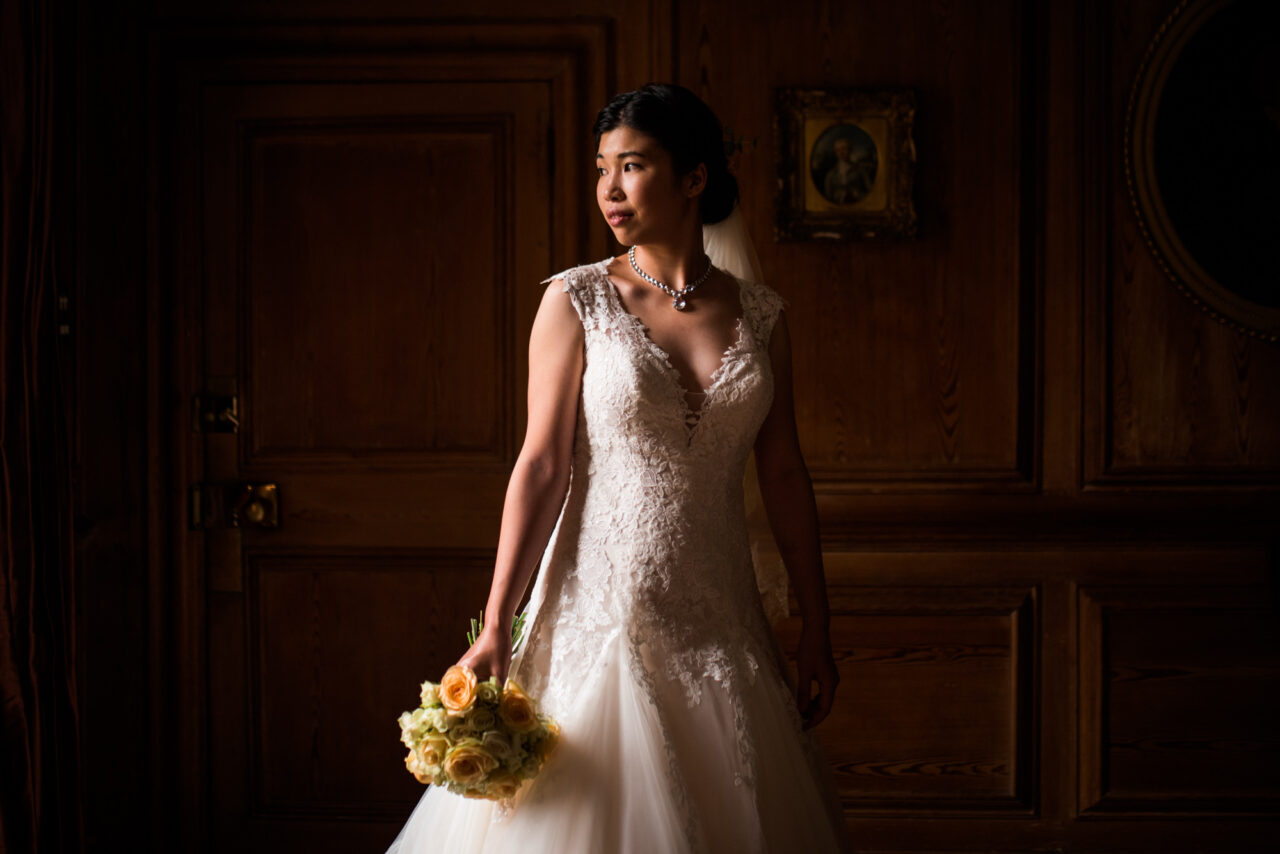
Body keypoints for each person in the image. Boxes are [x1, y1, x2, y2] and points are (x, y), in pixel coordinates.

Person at [386, 83, 851, 853]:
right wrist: (497, 621)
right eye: (602, 168)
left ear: (693, 178)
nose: (609, 189)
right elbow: (540, 465)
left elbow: (785, 477)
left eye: (632, 166)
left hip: (722, 617)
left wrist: (818, 625)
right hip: (601, 611)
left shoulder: (762, 316)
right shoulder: (577, 300)